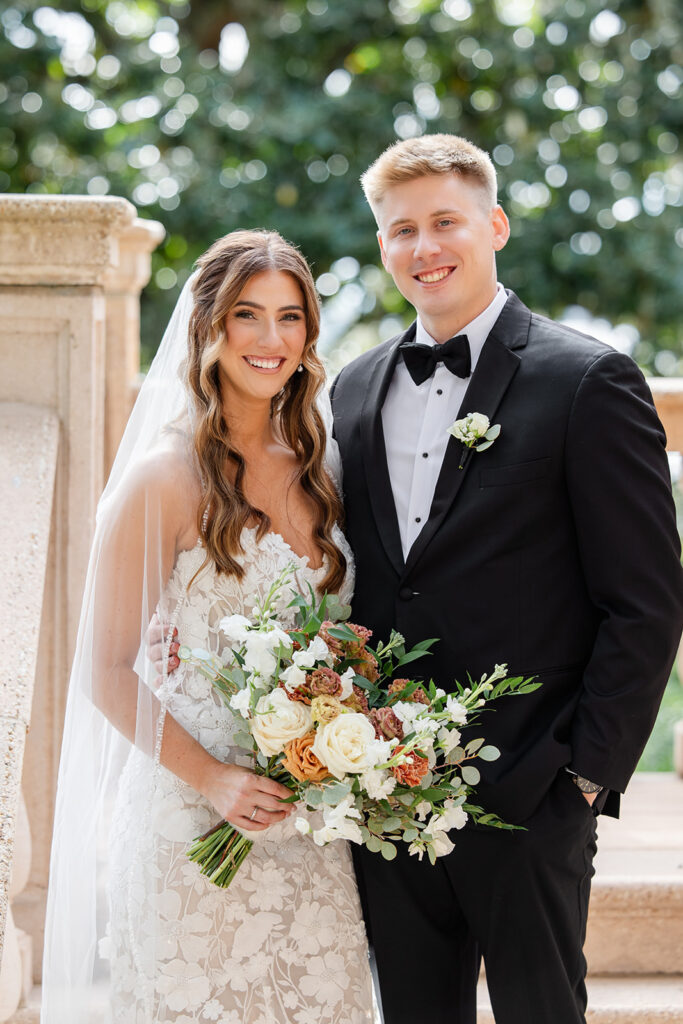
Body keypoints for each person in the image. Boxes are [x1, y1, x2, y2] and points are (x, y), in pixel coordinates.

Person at [329, 134, 683, 1024]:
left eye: (444, 221)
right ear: (381, 245)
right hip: (385, 786)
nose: (423, 247)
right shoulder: (351, 389)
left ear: (494, 225)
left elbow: (644, 603)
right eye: (400, 229)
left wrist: (583, 781)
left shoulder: (587, 380)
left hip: (533, 791)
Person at [42, 230, 374, 1023]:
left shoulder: (326, 468)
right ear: (208, 329)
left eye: (289, 317)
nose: (270, 340)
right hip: (192, 820)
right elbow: (104, 667)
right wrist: (216, 780)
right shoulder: (164, 479)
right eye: (246, 316)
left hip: (310, 826)